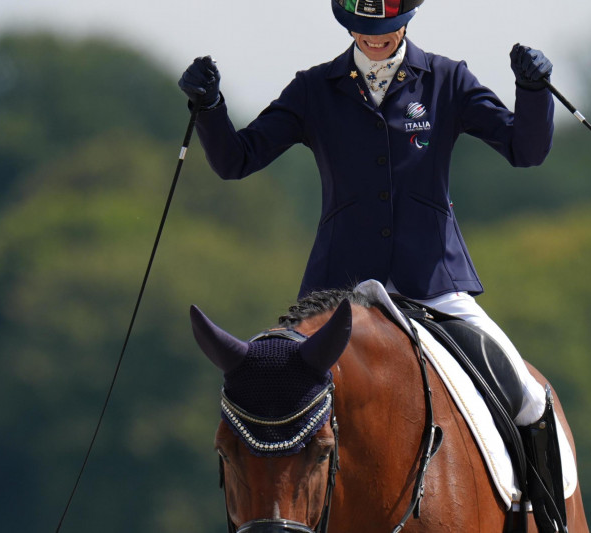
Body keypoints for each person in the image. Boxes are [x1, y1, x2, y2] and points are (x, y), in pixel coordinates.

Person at [179, 0, 560, 521]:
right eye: (363, 27)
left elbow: (526, 149)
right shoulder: (315, 89)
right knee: (271, 407)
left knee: (531, 400)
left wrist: (534, 92)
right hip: (340, 298)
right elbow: (236, 158)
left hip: (435, 285)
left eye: (385, 26)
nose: (375, 37)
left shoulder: (447, 81)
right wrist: (210, 107)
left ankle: (550, 520)